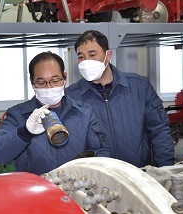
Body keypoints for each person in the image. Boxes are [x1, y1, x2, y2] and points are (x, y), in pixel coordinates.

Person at [66, 30, 174, 168]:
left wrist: (164, 170)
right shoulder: (71, 97)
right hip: (98, 180)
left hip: (140, 174)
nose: (86, 61)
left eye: (92, 55)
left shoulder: (139, 86)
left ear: (108, 55)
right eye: (81, 57)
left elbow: (160, 131)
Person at [0, 51, 110, 174]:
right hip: (36, 190)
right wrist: (25, 132)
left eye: (55, 80)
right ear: (32, 82)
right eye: (41, 82)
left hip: (76, 187)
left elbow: (102, 152)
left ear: (64, 78)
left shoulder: (84, 113)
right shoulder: (17, 115)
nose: (49, 87)